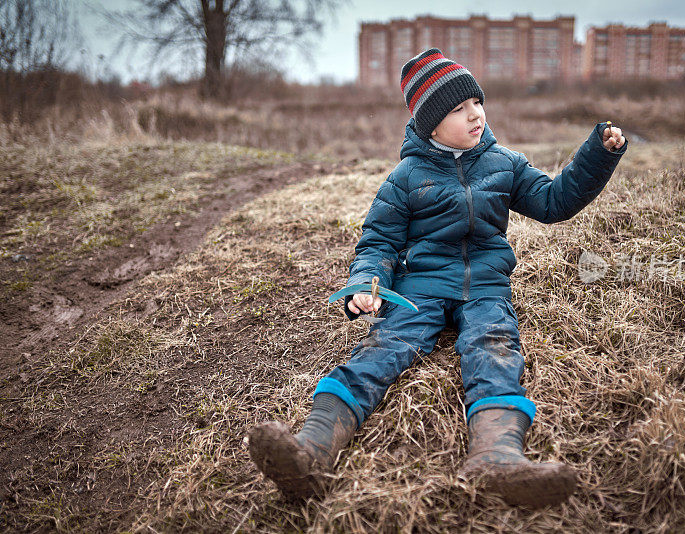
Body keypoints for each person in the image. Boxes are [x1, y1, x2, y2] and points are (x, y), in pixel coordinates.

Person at [248, 48, 627, 509]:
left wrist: (598, 156)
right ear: (430, 125)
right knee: (381, 350)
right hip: (419, 291)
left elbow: (553, 202)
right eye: (457, 109)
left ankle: (498, 457)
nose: (474, 115)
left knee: (494, 350)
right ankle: (311, 451)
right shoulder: (405, 178)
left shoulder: (505, 163)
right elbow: (378, 243)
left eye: (476, 103)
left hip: (485, 288)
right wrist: (366, 286)